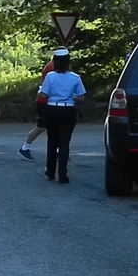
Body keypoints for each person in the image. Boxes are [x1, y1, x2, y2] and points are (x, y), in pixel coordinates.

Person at [38, 47, 86, 184]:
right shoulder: (75, 78)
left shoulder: (50, 76)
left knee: (52, 141)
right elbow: (81, 96)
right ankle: (63, 175)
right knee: (65, 142)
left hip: (52, 109)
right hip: (68, 110)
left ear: (55, 62)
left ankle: (50, 171)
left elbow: (43, 94)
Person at [18, 58, 55, 160]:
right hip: (45, 101)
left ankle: (57, 150)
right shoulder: (52, 68)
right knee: (41, 126)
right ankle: (25, 148)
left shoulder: (54, 66)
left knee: (54, 126)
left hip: (48, 100)